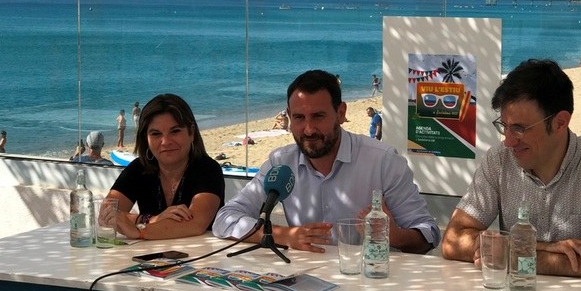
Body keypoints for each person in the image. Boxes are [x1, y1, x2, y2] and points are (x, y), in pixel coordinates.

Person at [213, 69, 439, 254]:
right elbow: (225, 219)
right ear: (289, 116)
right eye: (299, 118)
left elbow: (428, 234)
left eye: (318, 116)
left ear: (341, 113)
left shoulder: (383, 161)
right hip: (304, 281)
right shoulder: (280, 163)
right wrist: (283, 235)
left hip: (370, 281)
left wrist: (395, 236)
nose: (308, 129)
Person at [441, 59, 581, 280]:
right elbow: (452, 240)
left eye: (519, 129)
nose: (508, 141)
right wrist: (543, 248)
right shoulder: (499, 159)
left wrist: (514, 255)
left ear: (560, 122)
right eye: (504, 127)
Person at [107, 93, 225, 241]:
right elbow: (107, 215)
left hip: (201, 253)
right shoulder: (139, 168)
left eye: (175, 131)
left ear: (192, 132)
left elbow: (196, 224)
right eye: (156, 134)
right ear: (146, 139)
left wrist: (139, 231)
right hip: (150, 253)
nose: (166, 141)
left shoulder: (207, 169)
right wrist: (153, 219)